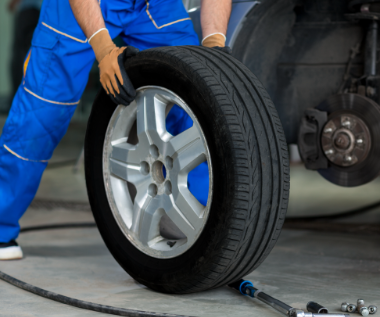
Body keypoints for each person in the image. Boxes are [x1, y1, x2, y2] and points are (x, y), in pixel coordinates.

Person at [0, 0, 231, 260]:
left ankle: (206, 222)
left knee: (194, 83)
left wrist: (214, 45)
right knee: (42, 115)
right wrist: (103, 49)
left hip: (153, 4)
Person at [8, 0, 43, 108]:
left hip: (28, 13)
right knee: (30, 54)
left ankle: (22, 101)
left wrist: (14, 3)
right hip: (36, 14)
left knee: (22, 56)